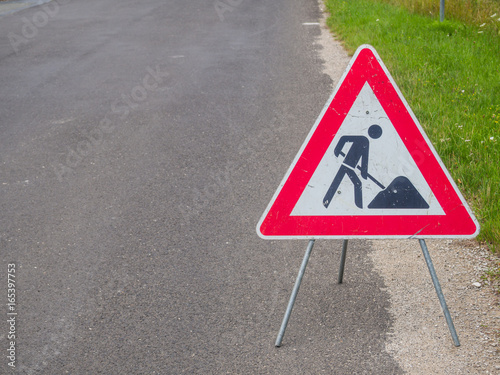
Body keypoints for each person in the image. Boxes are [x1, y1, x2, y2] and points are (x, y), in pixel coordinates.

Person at [323, 124, 382, 209]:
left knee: (342, 182)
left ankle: (327, 201)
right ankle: (359, 207)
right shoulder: (362, 139)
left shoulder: (365, 141)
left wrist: (363, 173)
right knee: (354, 183)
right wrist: (337, 150)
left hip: (350, 167)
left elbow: (364, 159)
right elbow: (344, 138)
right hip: (346, 165)